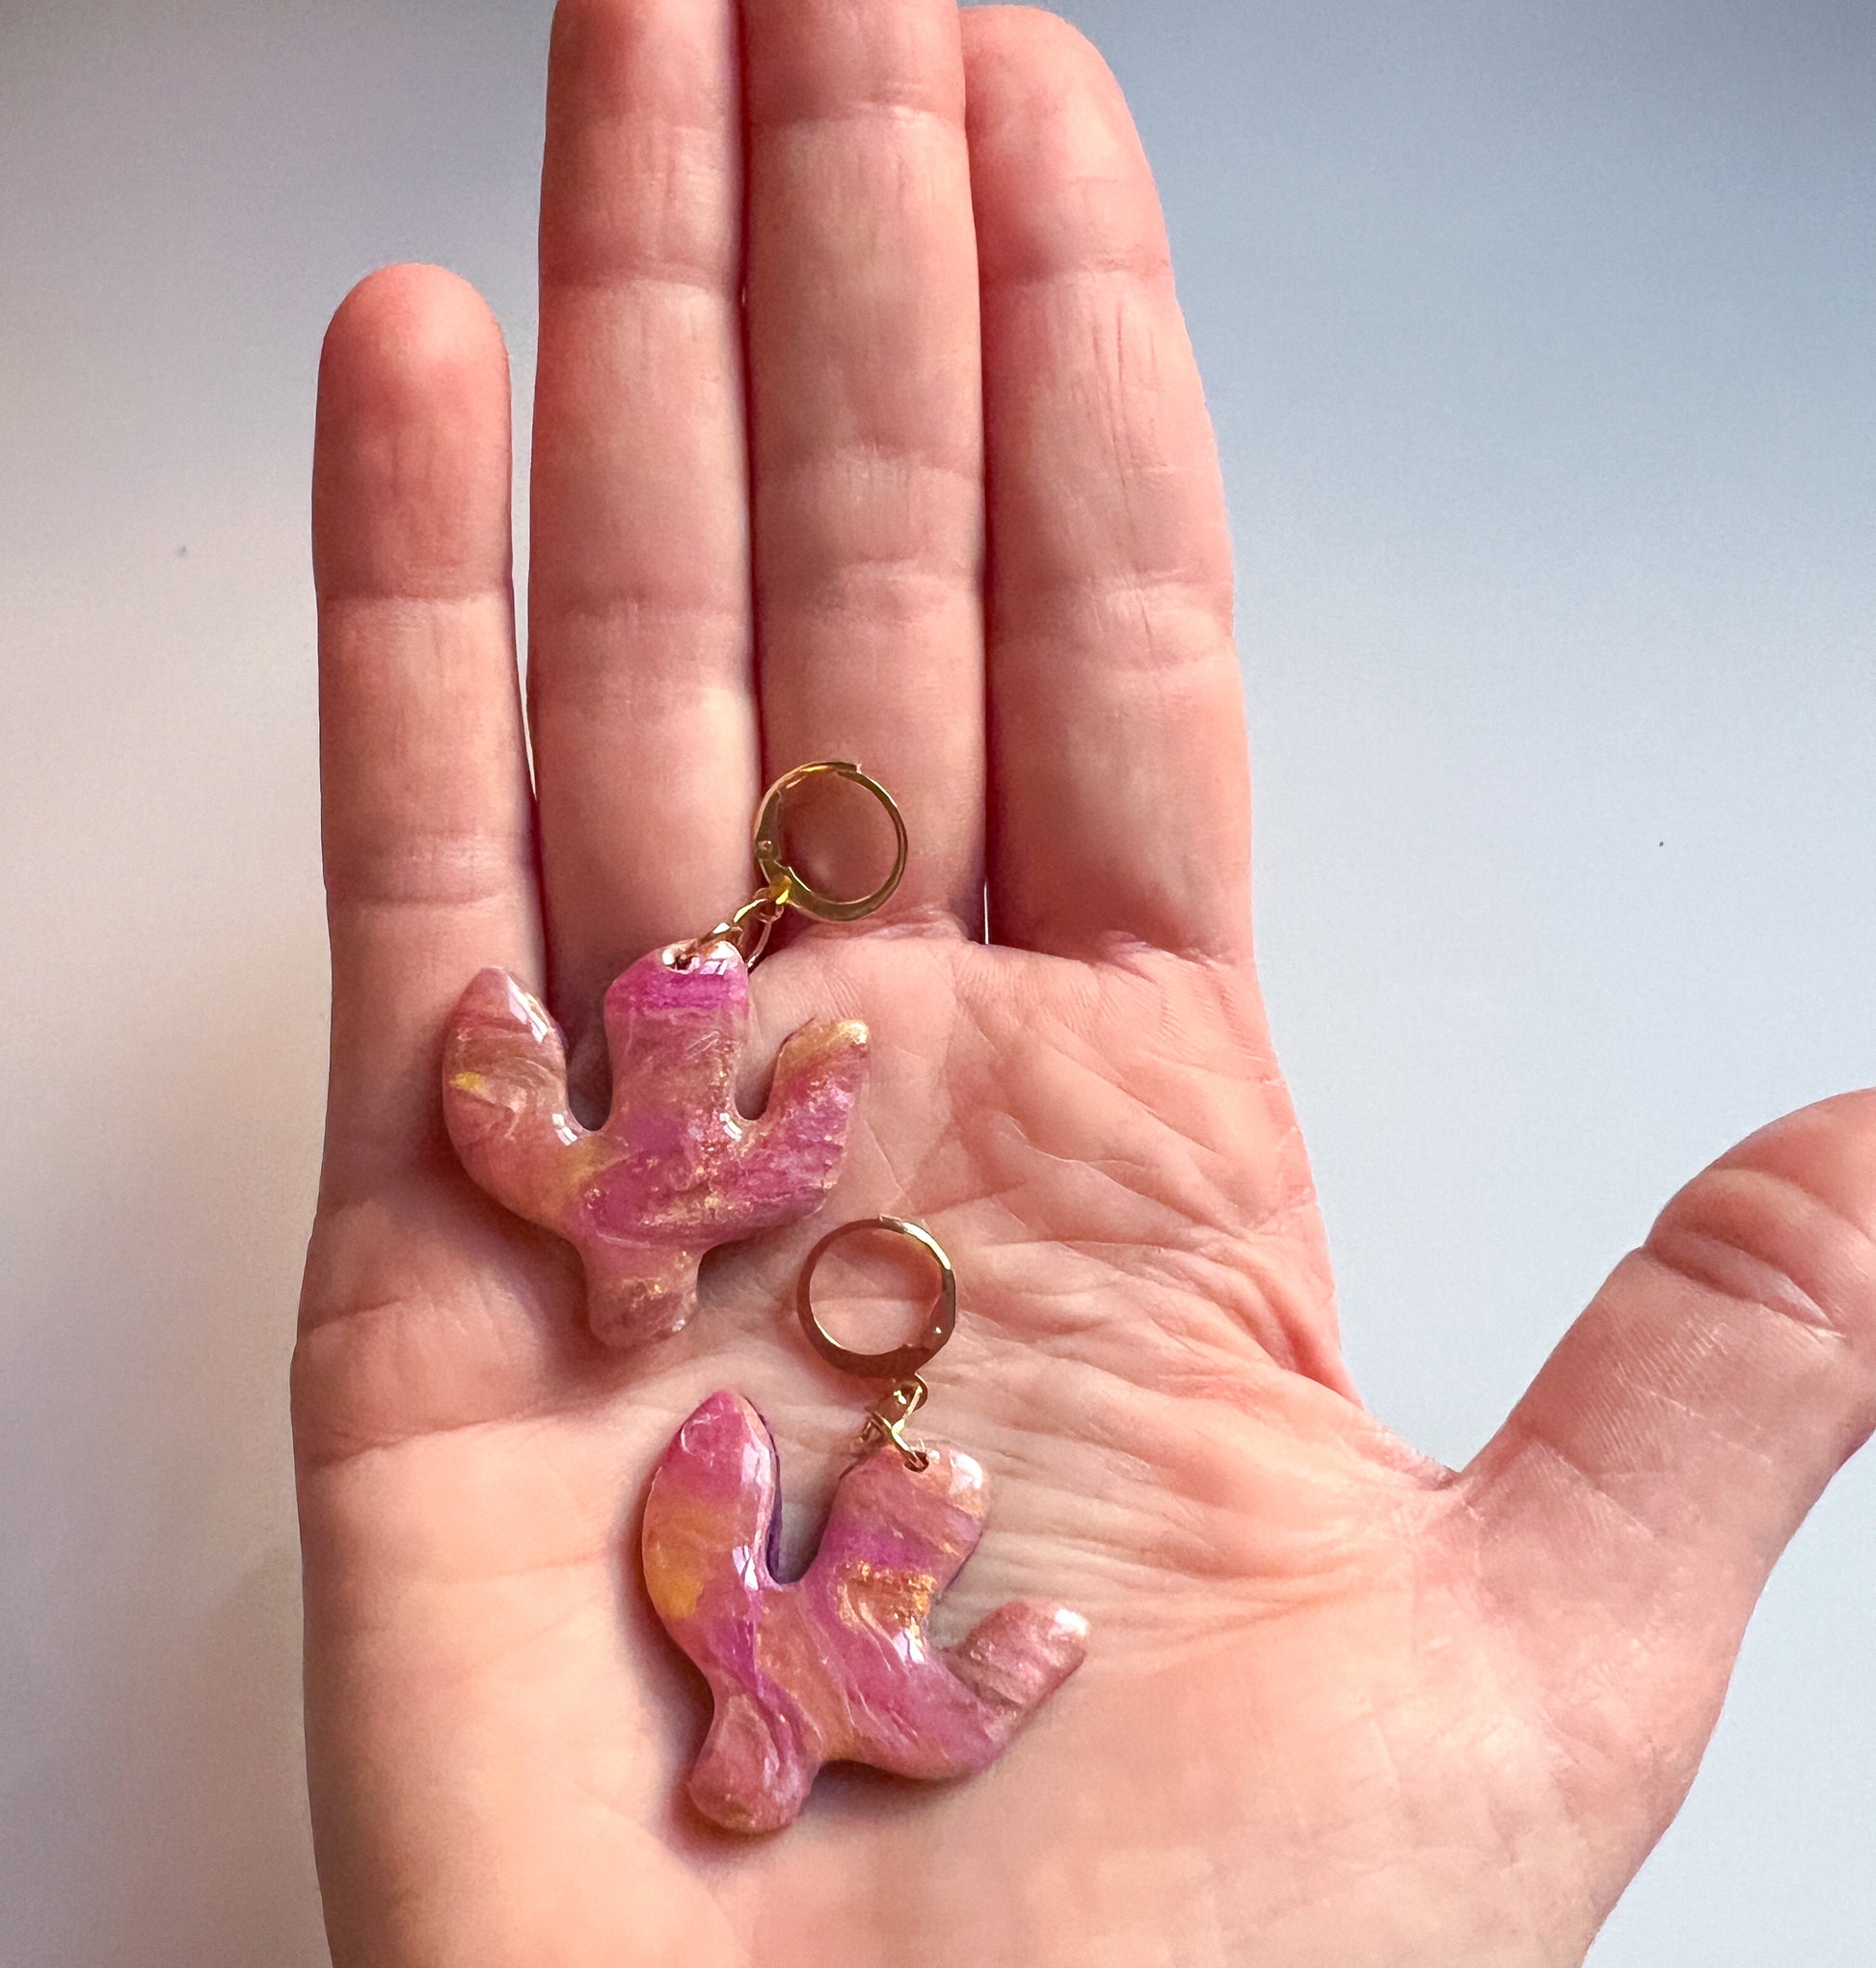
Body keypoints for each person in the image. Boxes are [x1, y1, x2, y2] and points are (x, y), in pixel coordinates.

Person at [295, 2, 1876, 1960]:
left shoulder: (710, 1474)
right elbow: (663, 1172)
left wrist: (735, 1084)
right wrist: (766, 1090)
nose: (643, 1304)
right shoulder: (785, 1574)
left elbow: (584, 1154)